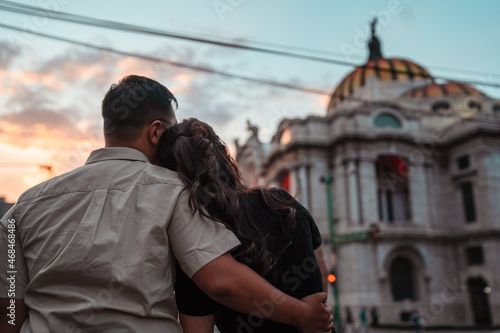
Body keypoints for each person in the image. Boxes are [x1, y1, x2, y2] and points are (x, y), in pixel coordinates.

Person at [0, 75, 333, 333]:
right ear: (156, 132)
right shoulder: (174, 191)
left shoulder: (22, 208)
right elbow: (221, 281)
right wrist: (303, 315)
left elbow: (10, 310)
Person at [158, 118, 331, 333]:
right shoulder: (281, 203)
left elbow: (197, 329)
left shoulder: (194, 245)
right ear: (224, 155)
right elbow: (322, 271)